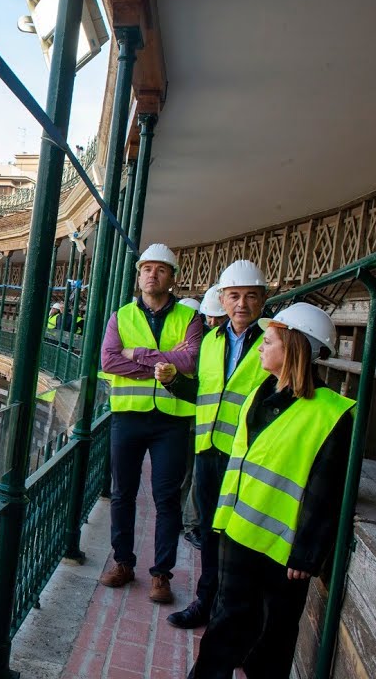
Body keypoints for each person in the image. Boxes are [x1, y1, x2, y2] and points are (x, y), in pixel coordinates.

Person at [187, 301, 353, 679]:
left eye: (269, 342)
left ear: (293, 348)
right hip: (238, 532)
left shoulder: (332, 414)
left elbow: (326, 491)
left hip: (283, 553)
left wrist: (307, 554)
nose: (260, 347)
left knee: (274, 636)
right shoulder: (259, 395)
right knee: (226, 623)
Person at [155, 261, 271, 630]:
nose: (241, 304)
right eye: (234, 296)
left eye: (250, 296)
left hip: (248, 457)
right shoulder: (211, 342)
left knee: (237, 537)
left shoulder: (273, 339)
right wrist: (174, 382)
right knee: (208, 531)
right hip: (208, 451)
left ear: (263, 299)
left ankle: (231, 613)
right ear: (222, 299)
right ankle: (206, 603)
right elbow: (205, 394)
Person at [98, 243, 202, 604]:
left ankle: (161, 575)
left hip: (171, 421)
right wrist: (161, 366)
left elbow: (190, 361)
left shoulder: (189, 317)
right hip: (128, 416)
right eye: (146, 269)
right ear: (139, 275)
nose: (152, 275)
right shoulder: (121, 316)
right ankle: (123, 563)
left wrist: (138, 354)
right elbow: (110, 361)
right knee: (122, 494)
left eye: (160, 269)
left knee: (166, 499)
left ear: (172, 277)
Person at [176, 283, 229, 551]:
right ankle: (189, 523)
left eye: (217, 318)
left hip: (207, 421)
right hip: (195, 419)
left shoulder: (210, 342)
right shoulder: (207, 342)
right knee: (189, 474)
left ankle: (189, 523)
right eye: (208, 317)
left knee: (194, 475)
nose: (211, 322)